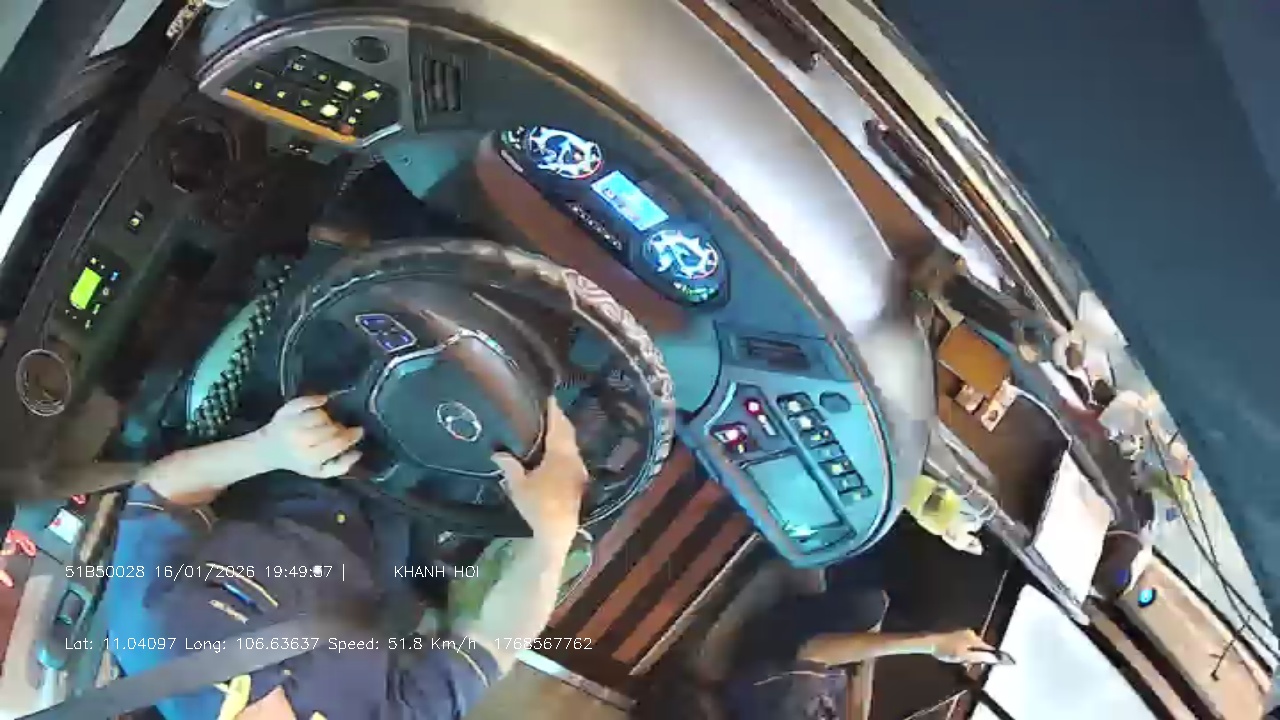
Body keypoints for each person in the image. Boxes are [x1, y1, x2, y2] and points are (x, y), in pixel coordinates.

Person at [103, 394, 589, 719]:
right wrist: (553, 534)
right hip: (423, 504)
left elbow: (164, 493)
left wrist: (269, 448)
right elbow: (493, 645)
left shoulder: (155, 642)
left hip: (304, 436)